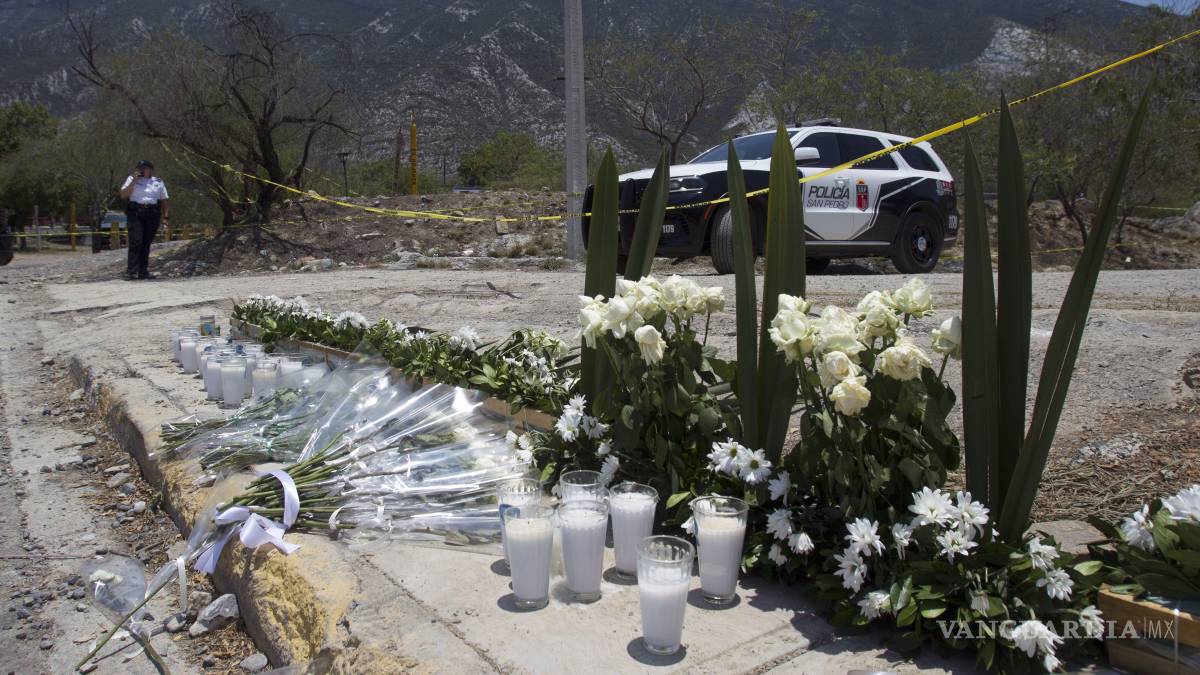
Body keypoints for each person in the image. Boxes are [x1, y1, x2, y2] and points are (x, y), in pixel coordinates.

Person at [119, 159, 169, 280]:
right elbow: (123, 195)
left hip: (152, 213)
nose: (141, 170)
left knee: (146, 243)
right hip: (136, 212)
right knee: (136, 241)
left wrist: (166, 217)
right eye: (139, 168)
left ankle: (143, 272)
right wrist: (134, 182)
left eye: (143, 168)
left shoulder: (158, 181)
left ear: (150, 169)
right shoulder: (131, 179)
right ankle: (131, 271)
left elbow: (164, 201)